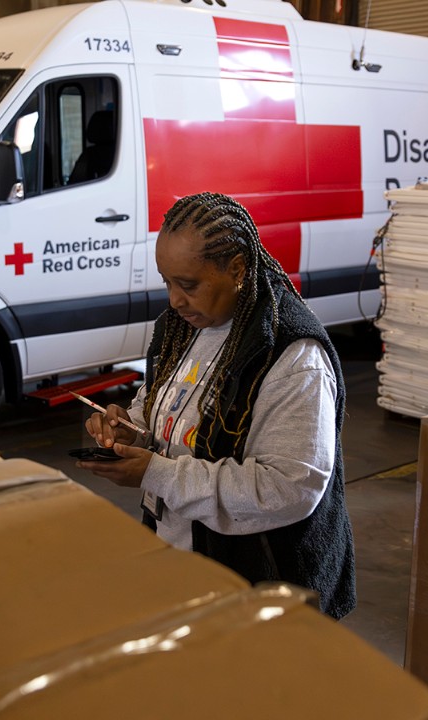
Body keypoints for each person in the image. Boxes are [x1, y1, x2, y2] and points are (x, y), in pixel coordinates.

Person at [77, 191, 356, 620]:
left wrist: (157, 472)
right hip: (187, 558)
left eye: (188, 285)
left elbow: (290, 488)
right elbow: (167, 407)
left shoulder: (291, 356)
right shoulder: (179, 329)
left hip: (264, 585)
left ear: (238, 269)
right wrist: (132, 429)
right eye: (167, 282)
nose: (174, 300)